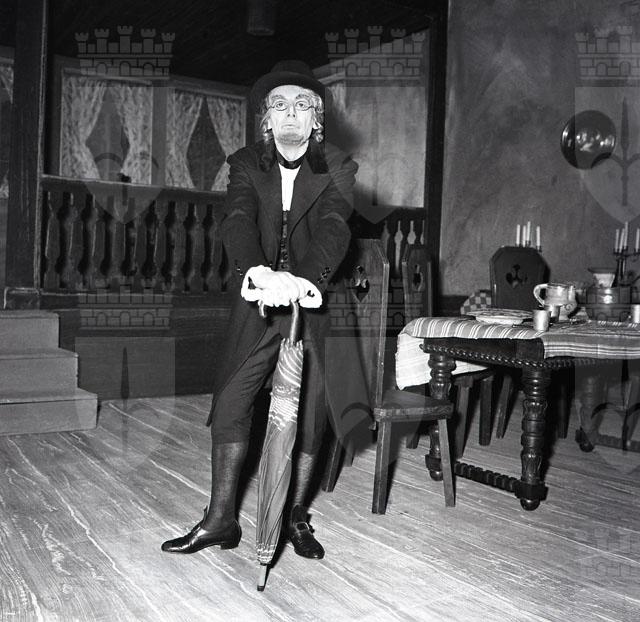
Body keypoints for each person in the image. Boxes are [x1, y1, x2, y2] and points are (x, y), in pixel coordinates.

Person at [161, 60, 360, 561]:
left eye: (302, 104)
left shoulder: (339, 165)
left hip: (314, 301)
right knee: (231, 402)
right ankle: (220, 521)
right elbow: (237, 219)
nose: (290, 113)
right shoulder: (246, 162)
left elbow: (335, 226)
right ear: (266, 119)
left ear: (316, 119)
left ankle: (294, 518)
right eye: (279, 105)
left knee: (309, 416)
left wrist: (300, 280)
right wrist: (258, 272)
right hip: (259, 297)